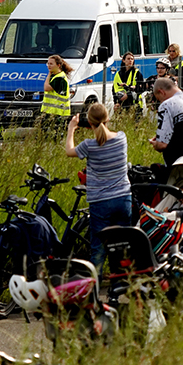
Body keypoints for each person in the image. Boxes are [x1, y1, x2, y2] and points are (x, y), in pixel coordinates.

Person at [65, 103, 131, 268]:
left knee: (98, 248)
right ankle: (118, 286)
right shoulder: (122, 138)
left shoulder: (89, 145)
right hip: (123, 198)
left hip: (100, 201)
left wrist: (71, 129)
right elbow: (105, 136)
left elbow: (69, 150)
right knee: (121, 245)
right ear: (108, 119)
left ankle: (95, 288)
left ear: (89, 122)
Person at [41, 55, 73, 129]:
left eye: (51, 64)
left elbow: (46, 88)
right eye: (48, 63)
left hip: (59, 112)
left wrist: (49, 74)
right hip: (51, 111)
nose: (49, 66)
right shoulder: (55, 76)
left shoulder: (59, 77)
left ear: (58, 65)